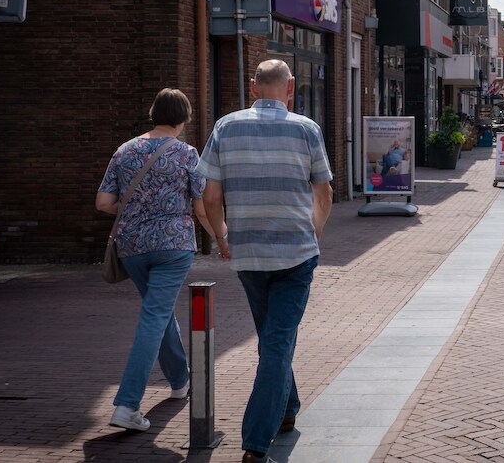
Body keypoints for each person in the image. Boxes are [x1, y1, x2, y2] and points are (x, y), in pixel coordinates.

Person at [198, 59, 333, 463]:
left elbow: (209, 195)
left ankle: (287, 409)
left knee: (272, 338)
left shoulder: (226, 126)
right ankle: (256, 444)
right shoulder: (306, 129)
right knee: (276, 343)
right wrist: (316, 231)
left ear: (254, 87)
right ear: (289, 88)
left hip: (249, 254)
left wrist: (221, 236)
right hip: (295, 253)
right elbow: (324, 193)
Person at [96, 88, 219, 432]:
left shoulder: (125, 150)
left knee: (158, 312)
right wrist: (220, 238)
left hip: (132, 247)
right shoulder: (187, 154)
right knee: (154, 317)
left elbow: (103, 203)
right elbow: (200, 206)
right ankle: (127, 404)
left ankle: (180, 381)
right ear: (183, 119)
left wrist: (135, 209)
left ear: (154, 113)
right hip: (173, 247)